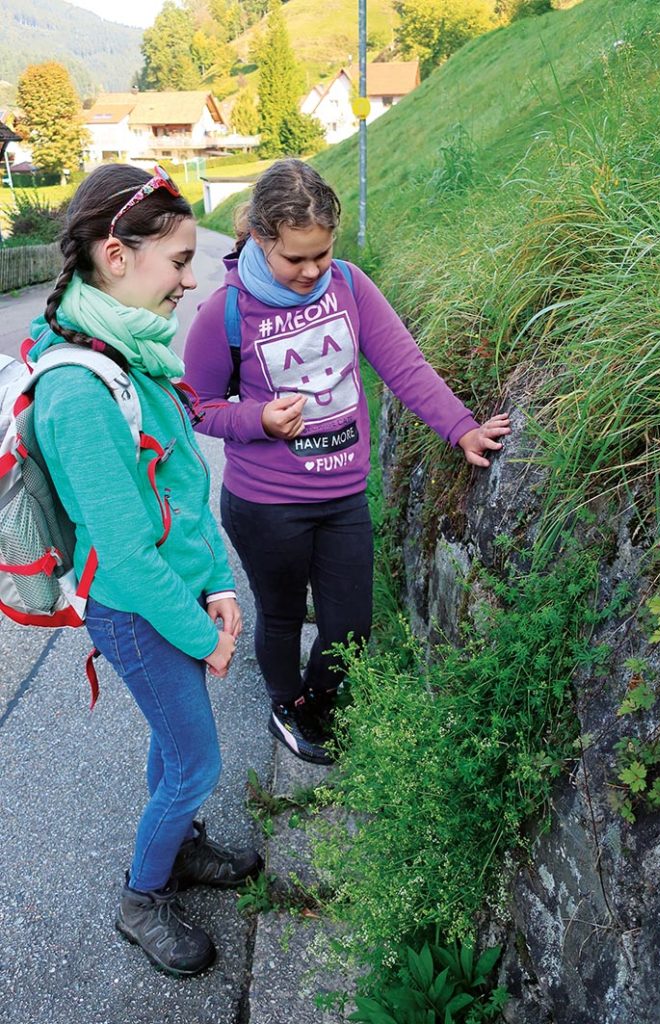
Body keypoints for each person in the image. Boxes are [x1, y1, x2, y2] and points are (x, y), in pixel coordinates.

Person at [183, 158, 510, 766]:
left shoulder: (350, 286)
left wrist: (460, 428)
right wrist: (256, 419)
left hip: (342, 498)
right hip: (266, 507)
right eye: (295, 259)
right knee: (280, 618)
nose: (310, 272)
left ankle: (318, 699)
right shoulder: (224, 313)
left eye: (322, 255)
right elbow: (195, 408)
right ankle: (288, 707)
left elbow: (403, 365)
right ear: (260, 238)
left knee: (349, 628)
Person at [30, 164, 261, 979]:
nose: (189, 279)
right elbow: (125, 555)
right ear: (115, 255)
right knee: (196, 758)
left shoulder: (126, 348)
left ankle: (179, 845)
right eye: (178, 260)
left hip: (166, 596)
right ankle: (141, 898)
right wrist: (205, 633)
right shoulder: (80, 389)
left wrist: (218, 585)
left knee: (178, 741)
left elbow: (180, 494)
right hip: (133, 609)